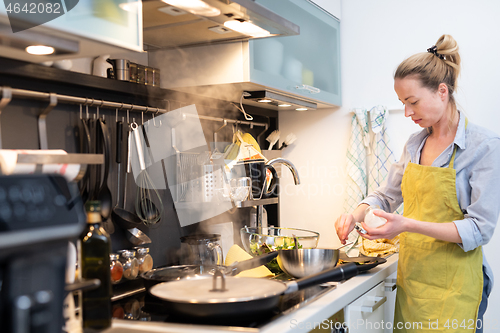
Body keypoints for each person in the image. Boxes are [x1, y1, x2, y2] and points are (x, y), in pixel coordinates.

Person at [335, 34, 500, 333]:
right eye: (402, 103)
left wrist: (407, 225)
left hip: (456, 286)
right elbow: (386, 196)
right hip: (415, 283)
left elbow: (479, 230)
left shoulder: (484, 146)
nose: (408, 112)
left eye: (412, 102)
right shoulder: (415, 144)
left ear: (441, 91)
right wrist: (355, 213)